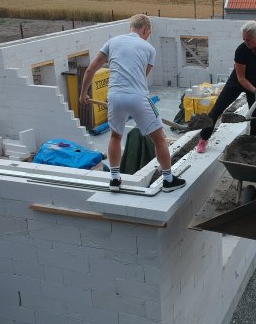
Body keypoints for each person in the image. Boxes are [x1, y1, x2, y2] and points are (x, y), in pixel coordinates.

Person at [79, 14, 185, 192]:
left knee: (115, 136)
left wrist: (83, 94)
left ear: (131, 27)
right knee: (159, 139)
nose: (147, 36)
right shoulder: (149, 48)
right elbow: (142, 77)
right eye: (148, 33)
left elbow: (90, 69)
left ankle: (114, 179)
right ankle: (168, 179)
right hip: (138, 97)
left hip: (114, 96)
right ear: (144, 30)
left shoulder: (112, 42)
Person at [195, 21, 256, 154]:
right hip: (237, 82)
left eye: (249, 39)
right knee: (217, 109)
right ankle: (203, 139)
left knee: (255, 117)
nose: (246, 42)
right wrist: (255, 91)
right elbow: (241, 78)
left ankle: (254, 145)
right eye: (244, 39)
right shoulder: (241, 50)